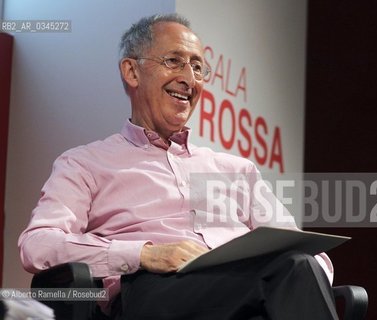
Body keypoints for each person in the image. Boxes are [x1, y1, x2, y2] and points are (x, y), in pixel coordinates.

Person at [19, 13, 338, 319]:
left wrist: (299, 272)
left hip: (248, 287)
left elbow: (310, 255)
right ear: (132, 72)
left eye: (198, 68)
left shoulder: (237, 170)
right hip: (152, 292)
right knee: (289, 274)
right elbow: (38, 246)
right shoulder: (85, 163)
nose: (189, 79)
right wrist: (143, 254)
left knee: (296, 268)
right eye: (174, 62)